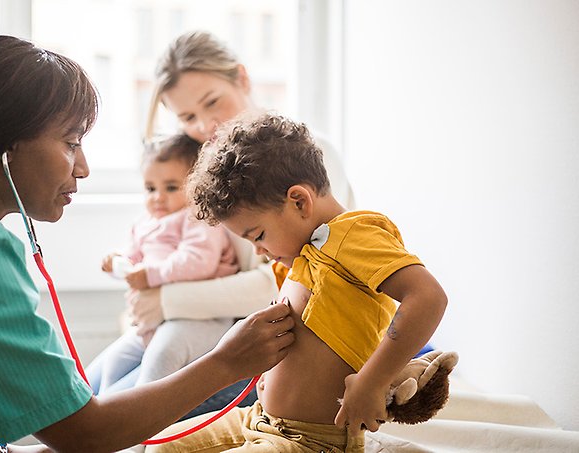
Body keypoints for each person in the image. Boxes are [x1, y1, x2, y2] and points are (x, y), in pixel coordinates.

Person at [0, 35, 295, 453]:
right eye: (71, 143)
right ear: (6, 147)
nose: (83, 168)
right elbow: (85, 434)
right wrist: (227, 362)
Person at [144, 113, 448, 452]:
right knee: (160, 446)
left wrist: (373, 382)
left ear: (299, 201)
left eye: (258, 235)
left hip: (312, 440)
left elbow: (427, 297)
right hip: (258, 418)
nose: (259, 250)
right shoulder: (302, 254)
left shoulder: (352, 235)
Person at [126, 30, 356, 416]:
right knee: (107, 389)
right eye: (187, 117)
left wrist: (164, 302)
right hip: (223, 333)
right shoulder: (210, 176)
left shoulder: (307, 155)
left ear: (243, 78)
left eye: (212, 102)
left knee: (141, 409)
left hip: (280, 342)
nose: (205, 124)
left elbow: (287, 281)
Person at [87, 133, 239, 396]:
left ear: (197, 185)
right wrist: (119, 263)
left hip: (200, 318)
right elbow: (136, 260)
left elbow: (198, 261)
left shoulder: (198, 218)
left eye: (170, 188)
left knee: (162, 355)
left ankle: (140, 424)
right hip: (155, 319)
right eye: (150, 188)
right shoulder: (146, 223)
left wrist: (150, 275)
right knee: (115, 360)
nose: (158, 197)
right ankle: (107, 418)